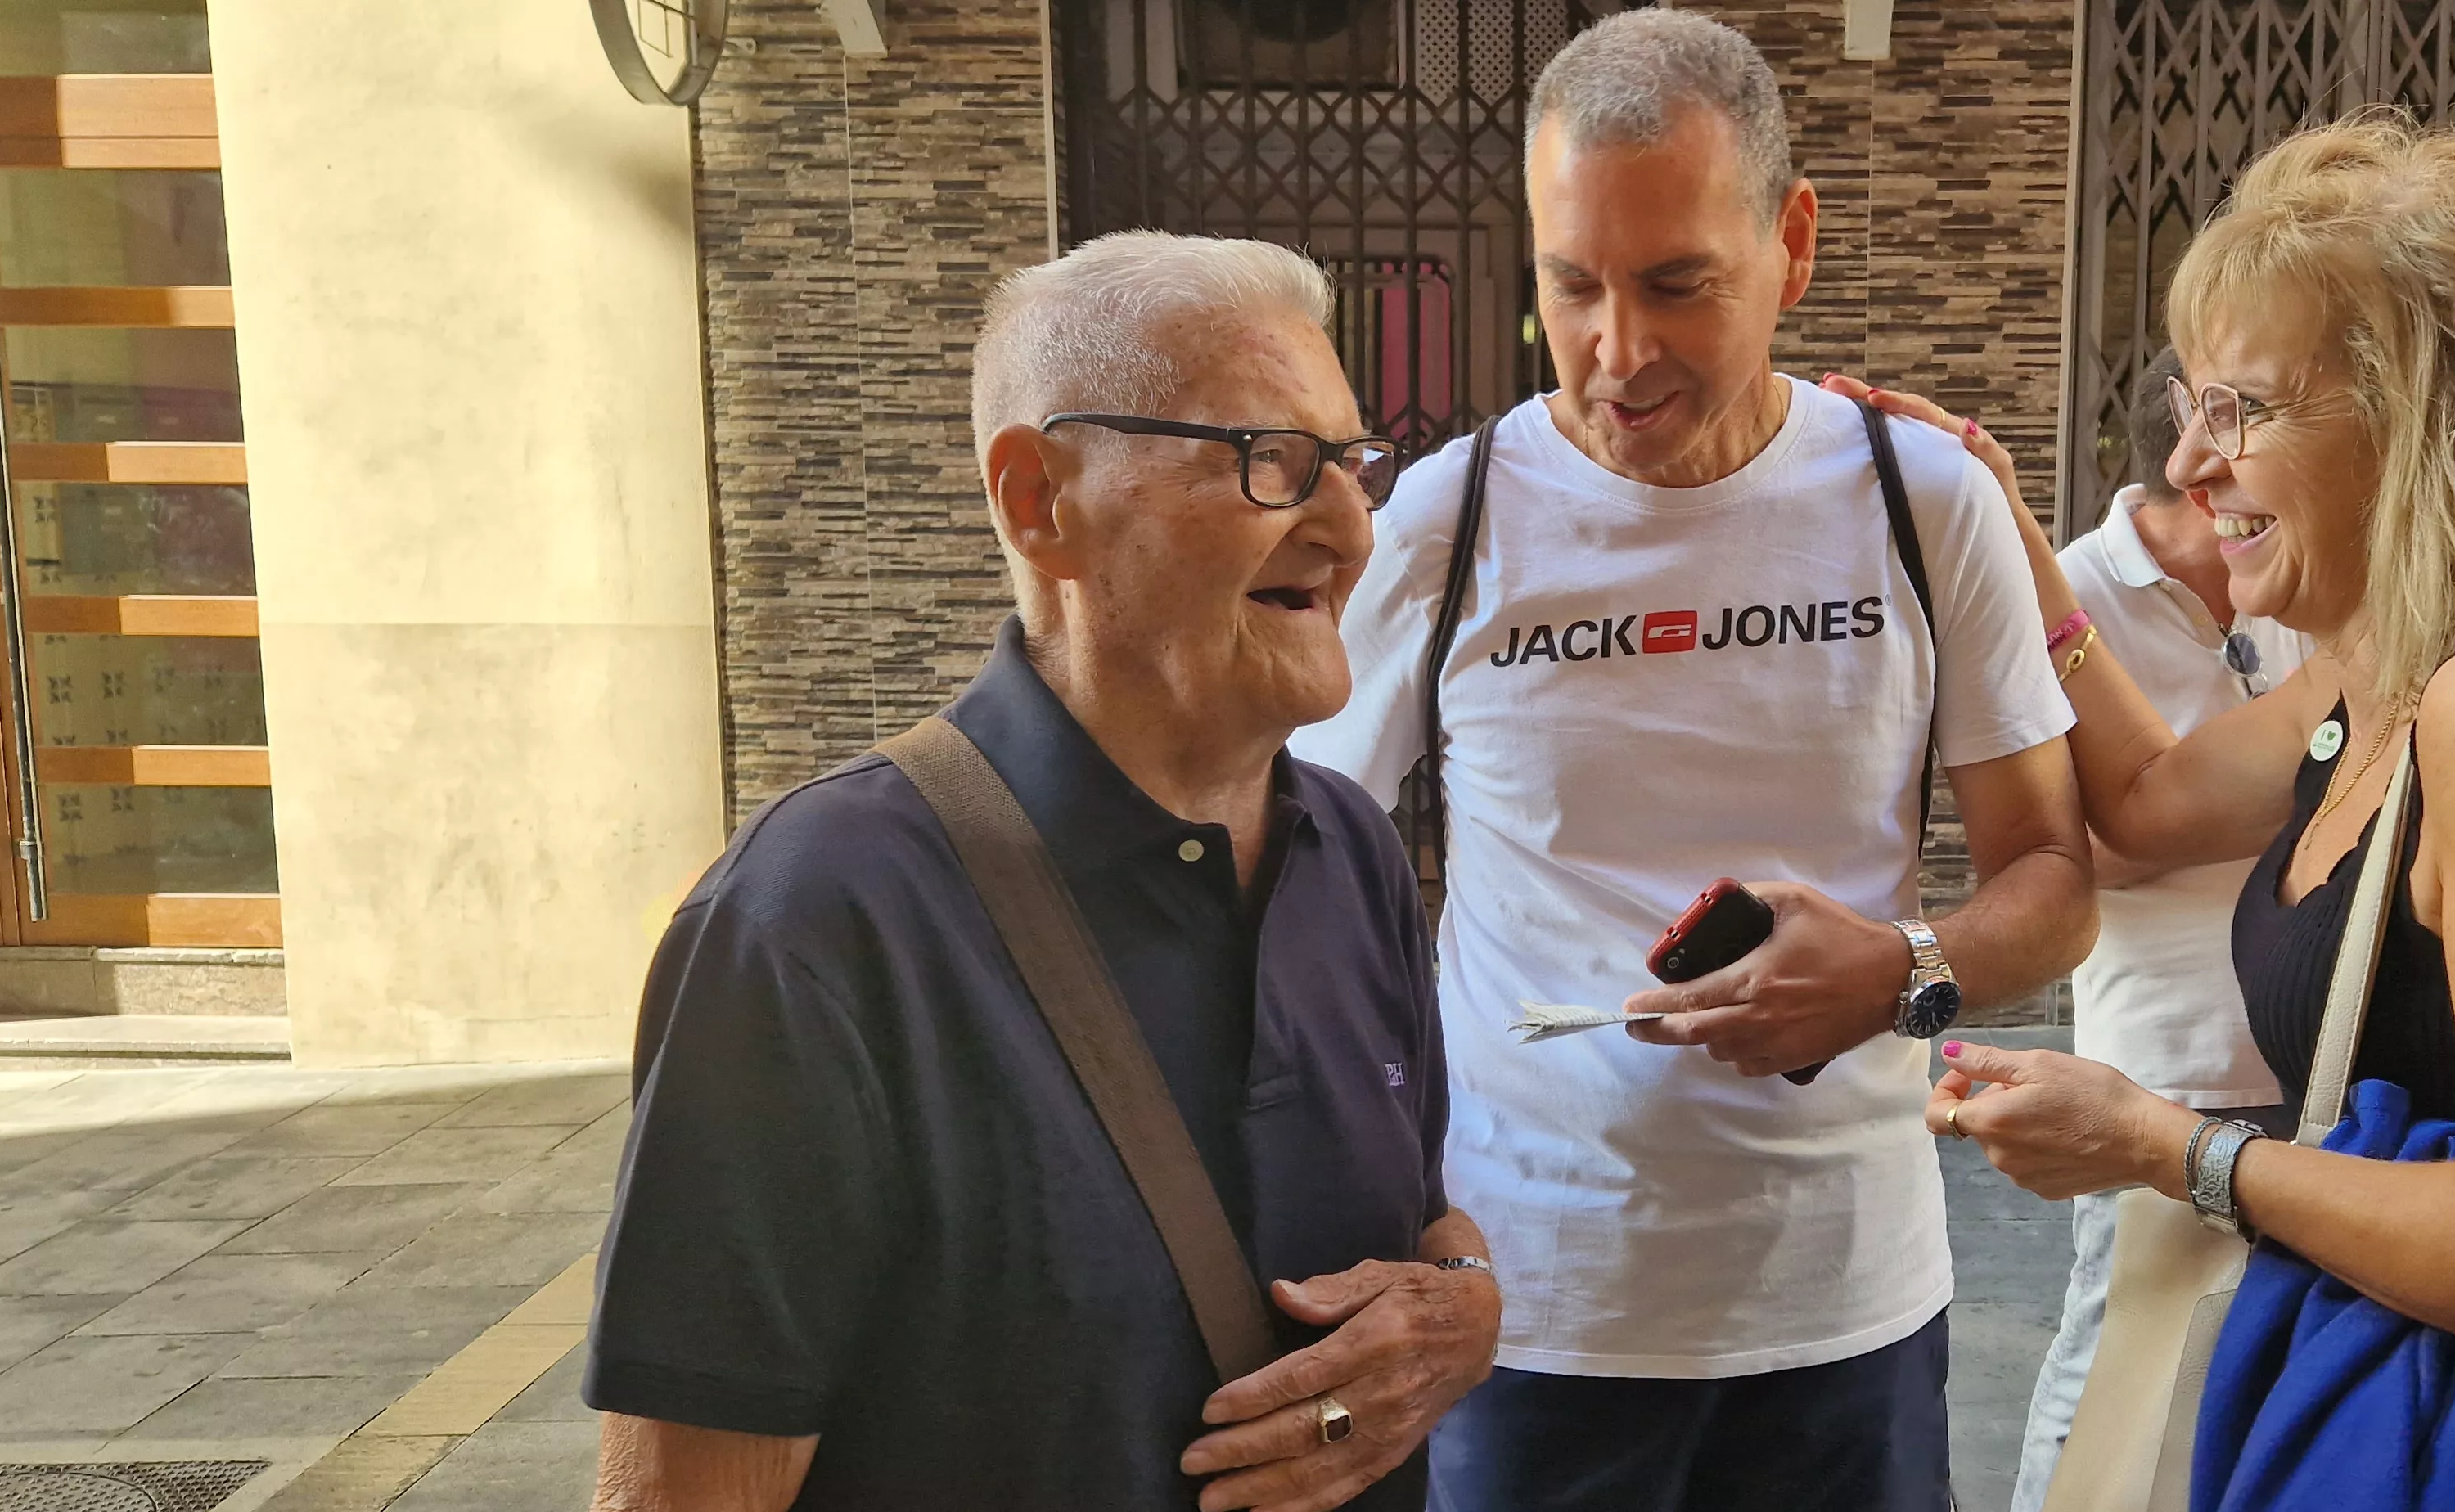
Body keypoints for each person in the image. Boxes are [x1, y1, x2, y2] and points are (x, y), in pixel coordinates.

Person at [1291, 11, 2095, 1510]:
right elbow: (1299, 875)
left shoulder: (1922, 504)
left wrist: (1898, 967)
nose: (1618, 352)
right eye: (1571, 285)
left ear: (1793, 243)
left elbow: (2053, 880)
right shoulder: (1446, 521)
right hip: (1530, 1314)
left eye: (1678, 286)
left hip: (1847, 1308)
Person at [583, 232, 1498, 1512]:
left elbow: (1422, 1223)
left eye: (1351, 463)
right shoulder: (818, 921)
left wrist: (1463, 1318)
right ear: (1038, 500)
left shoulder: (1350, 854)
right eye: (1270, 461)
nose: (1350, 528)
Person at [1862, 115, 2455, 1398]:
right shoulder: (2379, 669)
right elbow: (2152, 803)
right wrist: (2012, 537)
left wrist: (2170, 1146)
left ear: (2426, 417)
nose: (2186, 463)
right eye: (2193, 406)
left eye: (2242, 409)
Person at [1980, 349, 2309, 1512]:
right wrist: (2279, 798)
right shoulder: (2076, 589)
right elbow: (2064, 848)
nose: (2198, 467)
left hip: (2332, 1070)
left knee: (2275, 1388)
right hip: (2163, 1065)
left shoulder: (2328, 586)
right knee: (2114, 1381)